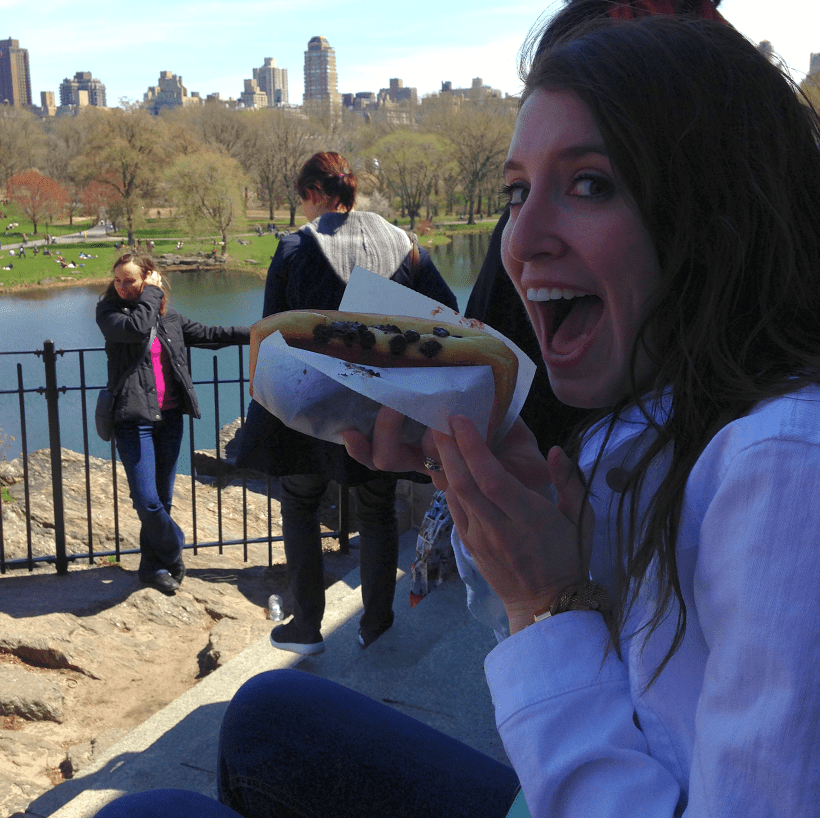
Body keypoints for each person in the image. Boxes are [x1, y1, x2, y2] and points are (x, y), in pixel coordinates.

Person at [93, 1, 820, 816]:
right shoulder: (653, 422)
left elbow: (564, 657)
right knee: (266, 714)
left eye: (589, 183)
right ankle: (368, 622)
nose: (521, 240)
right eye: (516, 190)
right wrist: (494, 493)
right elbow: (634, 675)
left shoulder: (785, 473)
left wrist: (545, 607)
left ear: (719, 219)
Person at [235, 151, 458, 654]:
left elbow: (274, 329)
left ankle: (306, 626)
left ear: (315, 193)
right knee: (378, 511)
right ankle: (376, 626)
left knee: (300, 505)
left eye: (304, 200)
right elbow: (446, 313)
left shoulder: (295, 247)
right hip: (377, 404)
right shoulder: (405, 245)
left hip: (309, 405)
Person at [97, 252, 250, 594]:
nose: (122, 287)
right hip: (133, 420)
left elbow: (212, 333)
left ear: (147, 276)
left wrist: (257, 332)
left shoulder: (169, 318)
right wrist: (151, 291)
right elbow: (137, 328)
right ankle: (174, 547)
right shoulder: (110, 313)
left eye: (130, 280)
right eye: (118, 280)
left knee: (162, 500)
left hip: (169, 420)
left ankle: (153, 567)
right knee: (146, 499)